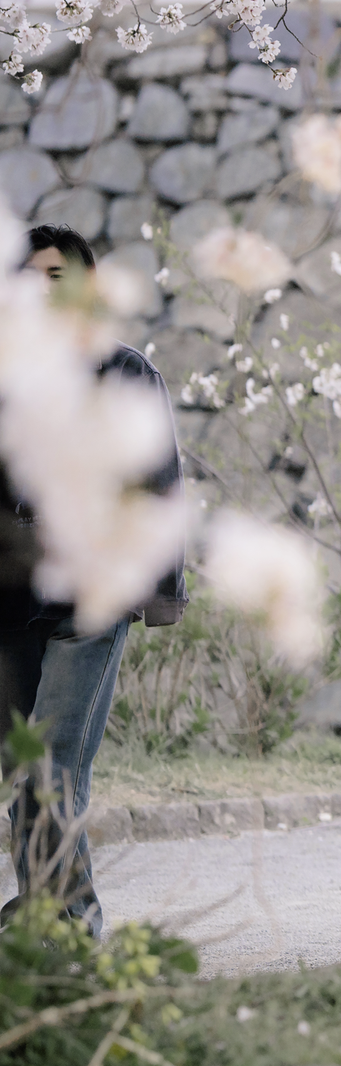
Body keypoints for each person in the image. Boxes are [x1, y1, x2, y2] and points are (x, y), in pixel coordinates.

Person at [1, 227, 185, 936]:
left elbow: (157, 485)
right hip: (12, 601)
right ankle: (38, 917)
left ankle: (70, 926)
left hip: (91, 600)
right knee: (23, 771)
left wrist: (150, 590)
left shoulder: (126, 371)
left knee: (53, 768)